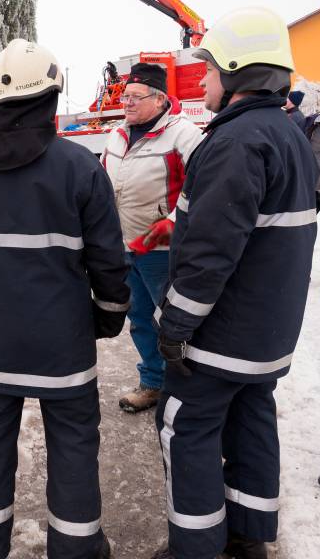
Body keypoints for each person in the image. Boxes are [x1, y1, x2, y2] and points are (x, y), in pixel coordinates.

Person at [0, 39, 131, 559]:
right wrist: (110, 313)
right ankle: (77, 548)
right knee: (73, 445)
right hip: (63, 347)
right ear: (49, 97)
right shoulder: (80, 167)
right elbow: (108, 257)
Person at [149, 7, 318, 559]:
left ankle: (195, 549)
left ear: (238, 72)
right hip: (267, 331)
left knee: (186, 427)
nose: (203, 80)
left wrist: (175, 323)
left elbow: (209, 253)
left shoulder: (235, 141)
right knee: (251, 421)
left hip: (223, 333)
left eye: (211, 69)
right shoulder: (287, 133)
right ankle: (249, 538)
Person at [100, 63, 203, 413]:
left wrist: (173, 223)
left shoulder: (184, 135)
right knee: (140, 318)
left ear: (159, 100)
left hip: (163, 249)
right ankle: (154, 383)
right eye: (125, 96)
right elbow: (103, 181)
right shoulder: (118, 134)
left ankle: (192, 389)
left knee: (176, 321)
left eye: (135, 96)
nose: (126, 102)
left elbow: (202, 187)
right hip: (125, 245)